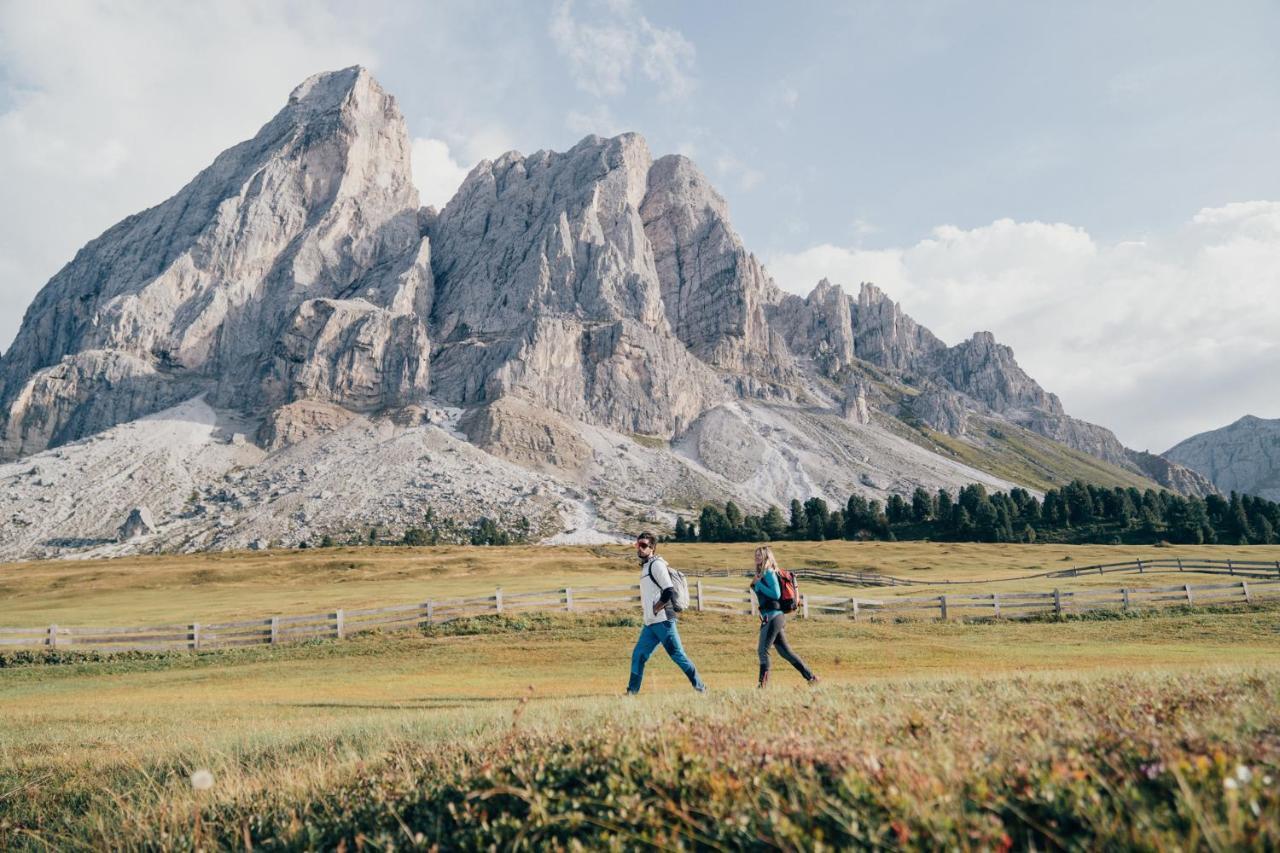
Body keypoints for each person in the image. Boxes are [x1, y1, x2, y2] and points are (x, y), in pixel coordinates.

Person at [626, 531, 706, 695]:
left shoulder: (657, 565)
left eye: (643, 545)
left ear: (652, 548)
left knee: (677, 656)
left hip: (663, 621)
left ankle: (701, 688)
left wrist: (657, 608)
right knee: (638, 655)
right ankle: (631, 692)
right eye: (637, 545)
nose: (639, 548)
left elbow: (668, 590)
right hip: (650, 623)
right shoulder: (647, 566)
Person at [751, 545, 819, 688]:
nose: (756, 557)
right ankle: (812, 678)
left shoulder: (769, 572)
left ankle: (762, 686)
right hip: (773, 617)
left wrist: (758, 584)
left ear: (766, 557)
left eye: (759, 555)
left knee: (763, 650)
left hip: (773, 617)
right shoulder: (762, 573)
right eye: (756, 554)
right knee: (786, 653)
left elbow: (776, 594)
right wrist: (757, 582)